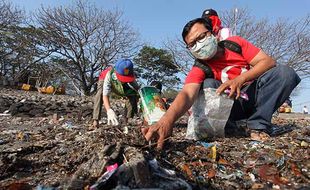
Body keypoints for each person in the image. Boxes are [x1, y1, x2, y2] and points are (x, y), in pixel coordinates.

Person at [142, 18, 300, 150]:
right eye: (192, 44)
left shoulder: (235, 44)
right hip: (228, 109)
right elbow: (187, 94)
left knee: (285, 73)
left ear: (213, 34)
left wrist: (240, 79)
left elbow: (267, 62)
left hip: (252, 96)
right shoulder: (200, 67)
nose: (199, 45)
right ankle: (230, 126)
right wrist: (166, 120)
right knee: (209, 83)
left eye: (201, 37)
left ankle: (257, 125)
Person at [92, 59, 140, 128]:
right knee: (100, 93)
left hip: (119, 84)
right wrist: (109, 110)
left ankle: (127, 119)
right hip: (104, 79)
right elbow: (105, 95)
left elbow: (137, 88)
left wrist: (142, 95)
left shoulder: (130, 74)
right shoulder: (109, 75)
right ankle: (95, 120)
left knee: (132, 94)